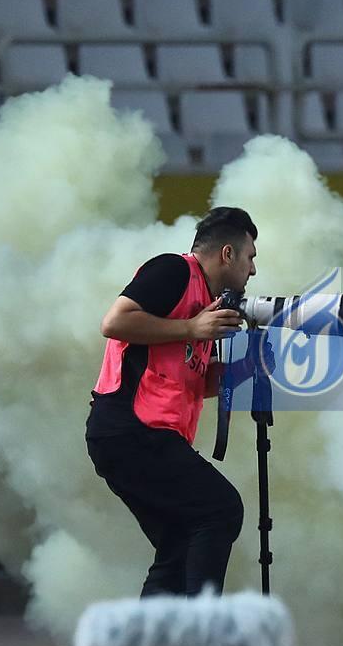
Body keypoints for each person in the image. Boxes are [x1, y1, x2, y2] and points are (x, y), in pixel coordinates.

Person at [85, 207, 256, 597]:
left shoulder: (208, 306)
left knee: (180, 544)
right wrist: (192, 327)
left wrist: (244, 369)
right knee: (220, 509)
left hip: (138, 435)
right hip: (132, 428)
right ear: (227, 254)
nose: (253, 271)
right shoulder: (174, 271)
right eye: (250, 257)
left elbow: (193, 380)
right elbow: (114, 322)